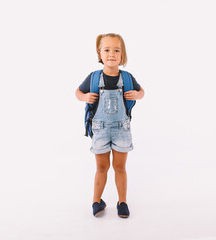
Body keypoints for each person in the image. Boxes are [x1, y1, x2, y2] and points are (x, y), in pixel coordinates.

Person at [75, 33, 145, 218]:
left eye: (116, 50)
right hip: (100, 129)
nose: (111, 54)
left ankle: (122, 202)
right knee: (101, 167)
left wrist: (138, 95)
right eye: (107, 50)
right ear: (99, 54)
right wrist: (84, 97)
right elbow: (77, 92)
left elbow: (142, 91)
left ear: (122, 55)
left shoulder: (128, 78)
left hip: (122, 129)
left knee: (120, 167)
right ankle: (96, 202)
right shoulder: (93, 77)